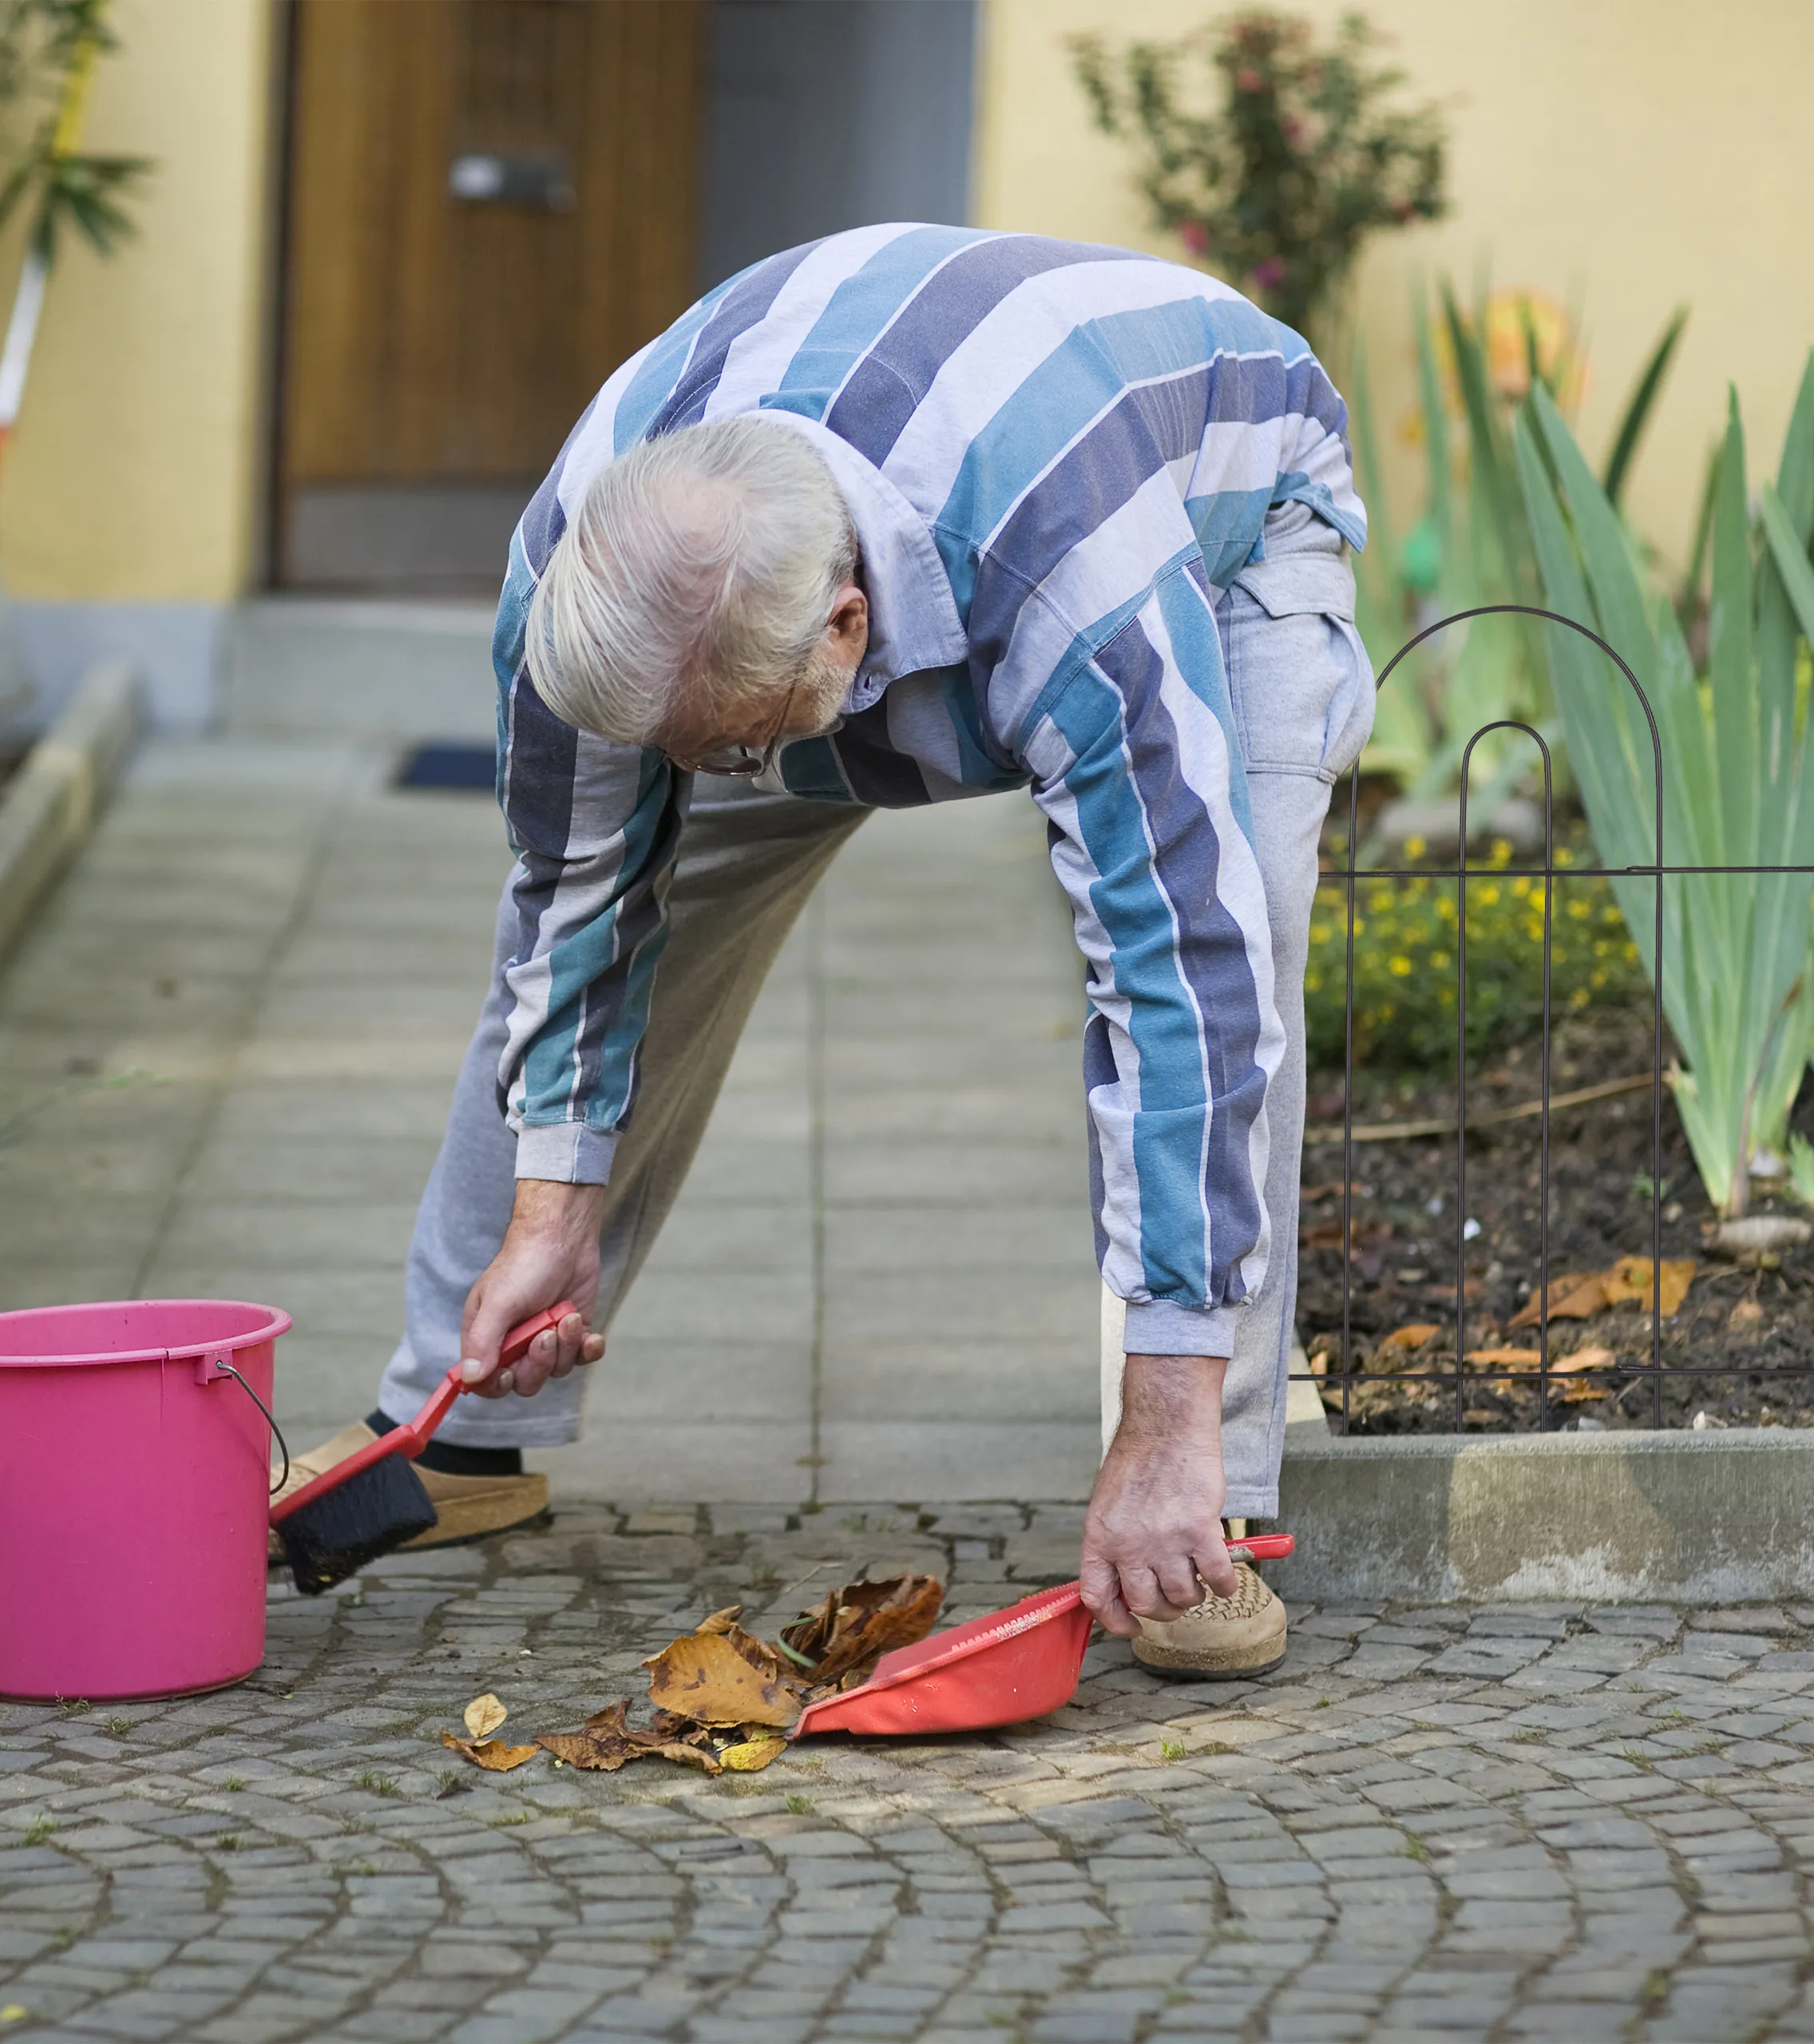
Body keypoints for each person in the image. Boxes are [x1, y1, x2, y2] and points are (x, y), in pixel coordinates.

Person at [276, 224, 1372, 1678]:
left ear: (850, 633)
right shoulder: (581, 579)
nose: (704, 772)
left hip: (1214, 516)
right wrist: (556, 1198)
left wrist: (1165, 1403)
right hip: (818, 567)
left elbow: (1184, 981)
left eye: (724, 744)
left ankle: (1198, 1491)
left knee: (1239, 922)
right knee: (600, 900)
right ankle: (465, 1431)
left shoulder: (1072, 580)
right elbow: (577, 891)